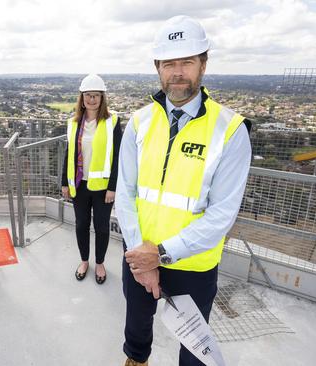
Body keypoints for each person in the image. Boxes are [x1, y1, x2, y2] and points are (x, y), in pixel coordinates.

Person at [117, 16, 252, 366]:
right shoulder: (138, 123)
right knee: (136, 330)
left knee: (193, 349)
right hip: (138, 255)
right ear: (158, 68)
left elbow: (222, 215)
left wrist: (159, 255)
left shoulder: (231, 130)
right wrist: (140, 256)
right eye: (169, 63)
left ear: (203, 65)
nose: (178, 72)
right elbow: (125, 194)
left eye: (187, 62)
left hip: (193, 264)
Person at [61, 74, 122, 284]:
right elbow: (69, 154)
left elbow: (117, 157)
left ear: (102, 97)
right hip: (79, 185)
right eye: (88, 95)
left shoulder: (112, 121)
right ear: (82, 97)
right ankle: (85, 261)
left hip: (104, 188)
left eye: (96, 95)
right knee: (81, 225)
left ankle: (101, 263)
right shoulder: (73, 123)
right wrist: (64, 183)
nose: (92, 99)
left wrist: (113, 187)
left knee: (102, 227)